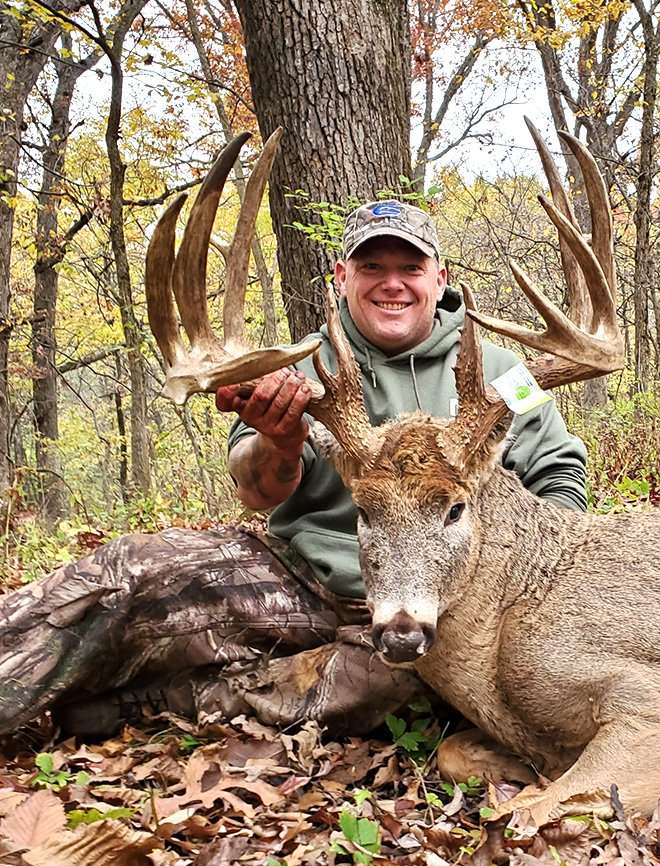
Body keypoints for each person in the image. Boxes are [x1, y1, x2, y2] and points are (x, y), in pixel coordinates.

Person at [0, 201, 588, 738]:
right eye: (372, 266)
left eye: (411, 268)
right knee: (129, 570)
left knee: (391, 683)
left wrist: (536, 584)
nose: (392, 283)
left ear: (440, 278)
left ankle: (144, 704)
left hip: (444, 603)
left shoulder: (507, 375)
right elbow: (254, 490)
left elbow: (559, 469)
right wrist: (279, 442)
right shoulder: (300, 368)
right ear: (341, 276)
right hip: (302, 576)